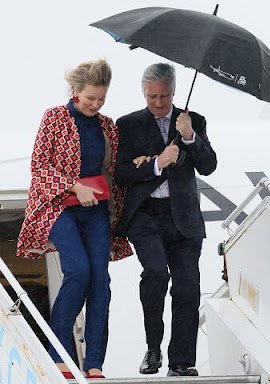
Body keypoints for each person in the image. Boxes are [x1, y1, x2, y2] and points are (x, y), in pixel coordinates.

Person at [16, 59, 133, 379]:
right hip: (58, 208)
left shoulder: (108, 125)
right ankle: (59, 355)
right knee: (78, 270)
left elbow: (113, 170)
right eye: (90, 98)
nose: (95, 105)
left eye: (101, 100)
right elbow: (39, 168)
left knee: (101, 282)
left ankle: (94, 362)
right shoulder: (54, 118)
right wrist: (73, 185)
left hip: (96, 211)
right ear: (75, 91)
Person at [113, 63, 217, 377]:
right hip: (146, 216)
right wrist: (157, 163)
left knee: (188, 288)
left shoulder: (193, 121)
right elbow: (120, 173)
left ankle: (182, 361)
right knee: (156, 273)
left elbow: (209, 165)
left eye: (164, 96)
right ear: (144, 93)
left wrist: (189, 138)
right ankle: (153, 348)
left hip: (184, 218)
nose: (158, 103)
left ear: (173, 91)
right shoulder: (128, 125)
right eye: (152, 96)